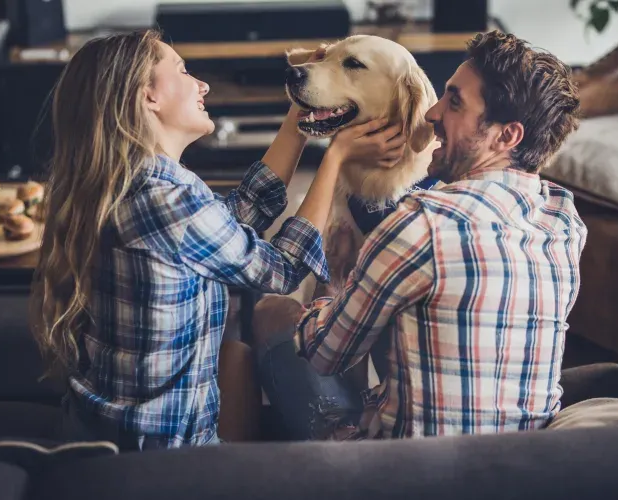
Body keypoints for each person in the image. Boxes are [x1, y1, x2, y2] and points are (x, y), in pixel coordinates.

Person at [28, 30, 406, 450]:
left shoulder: (138, 183)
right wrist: (334, 158)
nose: (202, 84)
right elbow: (280, 270)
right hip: (153, 454)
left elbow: (237, 215)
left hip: (101, 426)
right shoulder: (166, 201)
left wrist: (301, 119)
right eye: (183, 71)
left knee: (236, 356)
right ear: (147, 97)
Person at [253, 30, 587, 440]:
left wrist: (332, 287)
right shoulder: (564, 220)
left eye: (455, 103)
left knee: (267, 306)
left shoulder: (420, 224)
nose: (431, 114)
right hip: (521, 461)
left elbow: (325, 353)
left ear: (507, 135)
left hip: (411, 468)